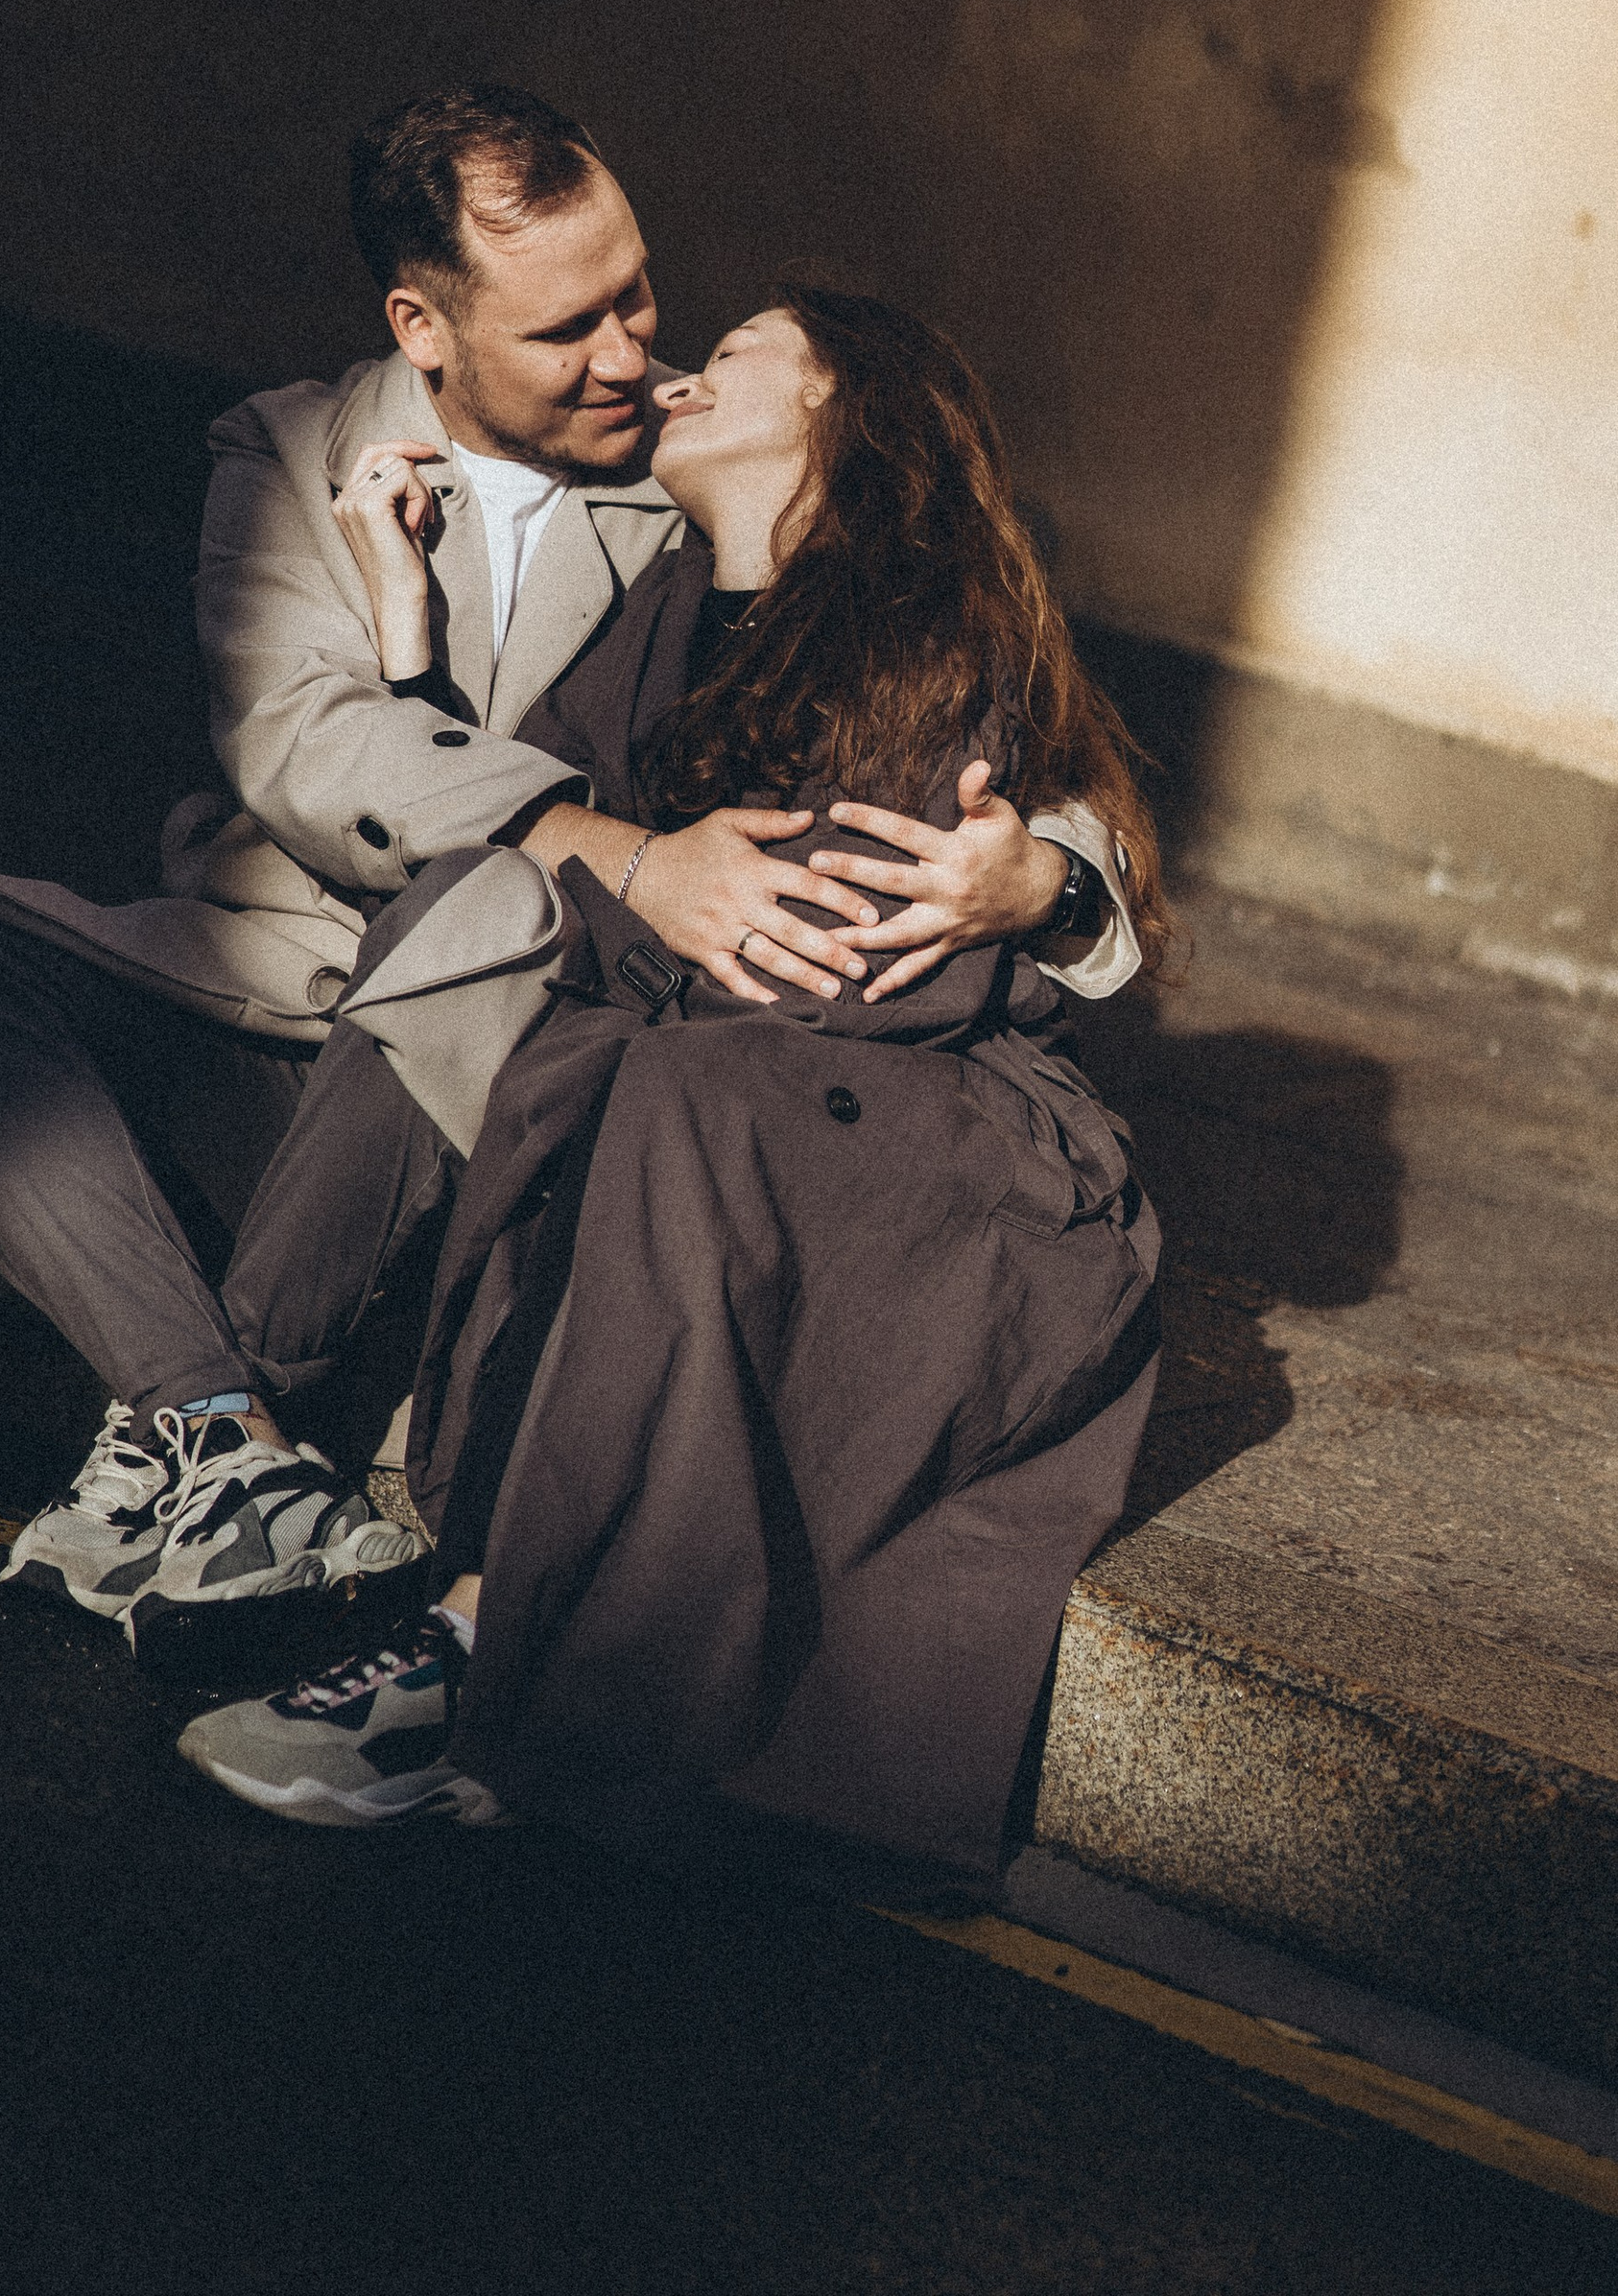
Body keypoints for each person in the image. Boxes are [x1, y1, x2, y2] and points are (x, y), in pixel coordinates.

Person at [0, 93, 1142, 1640]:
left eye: (639, 295)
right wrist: (615, 848)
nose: (630, 356)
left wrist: (1049, 881)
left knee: (484, 917)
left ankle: (200, 1433)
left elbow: (980, 691)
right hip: (286, 1007)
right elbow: (305, 749)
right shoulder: (287, 454)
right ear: (425, 324)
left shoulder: (701, 458)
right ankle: (225, 1435)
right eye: (567, 330)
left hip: (501, 1062)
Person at [177, 287, 1167, 1882]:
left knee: (662, 1092)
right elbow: (530, 836)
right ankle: (241, 1422)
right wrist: (414, 640)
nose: (689, 373)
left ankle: (488, 1641)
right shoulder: (668, 605)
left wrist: (1038, 884)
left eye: (746, 354)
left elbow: (837, 964)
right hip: (748, 1090)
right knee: (494, 953)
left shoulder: (921, 622)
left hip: (929, 1134)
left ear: (848, 414)